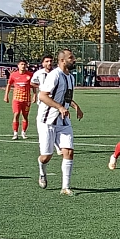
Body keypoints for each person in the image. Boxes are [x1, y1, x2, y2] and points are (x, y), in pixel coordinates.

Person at [36, 49, 84, 196]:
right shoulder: (54, 75)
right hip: (47, 121)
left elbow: (66, 97)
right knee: (46, 156)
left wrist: (76, 107)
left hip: (63, 121)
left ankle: (65, 187)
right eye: (71, 58)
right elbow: (43, 96)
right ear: (63, 61)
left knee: (68, 151)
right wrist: (60, 107)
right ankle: (42, 170)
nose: (74, 60)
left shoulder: (70, 77)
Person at [4, 60, 35, 140]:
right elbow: (9, 85)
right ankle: (15, 133)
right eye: (21, 64)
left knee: (25, 116)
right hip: (16, 99)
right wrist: (6, 95)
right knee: (16, 114)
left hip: (26, 99)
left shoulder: (30, 75)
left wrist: (35, 95)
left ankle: (23, 132)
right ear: (18, 66)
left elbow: (33, 85)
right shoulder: (13, 75)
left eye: (24, 64)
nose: (23, 66)